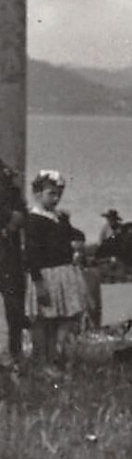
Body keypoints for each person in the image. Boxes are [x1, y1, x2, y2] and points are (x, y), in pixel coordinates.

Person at [21, 171, 89, 367]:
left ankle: (58, 355)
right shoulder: (34, 220)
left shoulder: (58, 218)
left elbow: (75, 234)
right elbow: (32, 254)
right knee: (44, 320)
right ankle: (42, 361)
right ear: (37, 193)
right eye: (51, 193)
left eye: (59, 194)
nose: (56, 198)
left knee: (66, 317)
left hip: (64, 273)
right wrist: (38, 281)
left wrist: (76, 239)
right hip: (46, 274)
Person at [0, 158, 26, 373]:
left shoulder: (8, 183)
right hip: (8, 255)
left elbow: (19, 214)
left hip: (8, 258)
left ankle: (13, 355)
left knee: (13, 308)